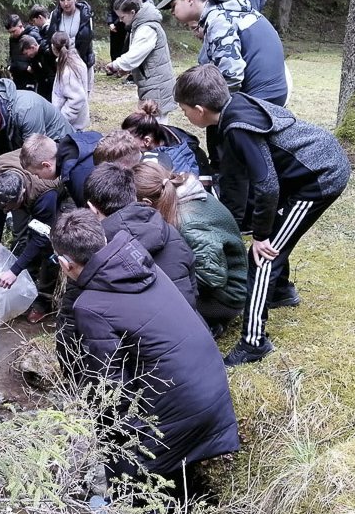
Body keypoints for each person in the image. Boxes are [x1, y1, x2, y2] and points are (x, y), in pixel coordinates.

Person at [51, 208, 240, 492]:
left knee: (123, 466)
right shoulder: (138, 259)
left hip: (185, 415)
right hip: (215, 397)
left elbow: (109, 391)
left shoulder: (90, 305)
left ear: (65, 263)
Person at [175, 64, 350, 366]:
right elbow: (240, 180)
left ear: (200, 109)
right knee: (278, 236)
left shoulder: (238, 127)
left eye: (184, 110)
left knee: (263, 256)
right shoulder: (233, 107)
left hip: (318, 179)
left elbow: (266, 185)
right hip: (303, 171)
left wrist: (260, 236)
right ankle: (282, 291)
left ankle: (254, 342)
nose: (185, 116)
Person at [159, 0, 288, 231]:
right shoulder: (222, 10)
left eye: (173, 5)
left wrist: (201, 104)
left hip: (259, 93)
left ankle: (238, 219)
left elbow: (230, 76)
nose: (172, 12)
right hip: (265, 90)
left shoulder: (218, 18)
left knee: (231, 151)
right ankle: (242, 210)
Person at [133, 162, 247, 337]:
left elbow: (213, 277)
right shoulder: (181, 192)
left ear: (147, 202)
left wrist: (168, 274)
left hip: (226, 298)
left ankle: (208, 326)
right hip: (223, 286)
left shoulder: (188, 222)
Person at [84, 162, 196, 308]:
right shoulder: (170, 229)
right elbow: (191, 285)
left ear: (92, 208)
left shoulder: (101, 249)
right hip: (192, 320)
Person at [0, 136, 63, 323]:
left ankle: (44, 299)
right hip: (24, 194)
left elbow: (41, 237)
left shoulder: (44, 193)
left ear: (22, 195)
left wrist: (14, 270)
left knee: (50, 246)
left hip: (58, 191)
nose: (6, 211)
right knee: (20, 237)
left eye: (10, 207)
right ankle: (24, 278)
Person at [0, 76, 74, 196]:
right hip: (22, 148)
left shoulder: (26, 109)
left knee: (36, 189)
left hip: (56, 150)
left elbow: (34, 154)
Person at [105, 0, 176, 120]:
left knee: (155, 130)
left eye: (122, 16)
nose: (120, 20)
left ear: (132, 12)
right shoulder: (139, 25)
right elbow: (143, 59)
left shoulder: (146, 28)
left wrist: (115, 65)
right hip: (151, 85)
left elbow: (134, 56)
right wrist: (126, 69)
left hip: (157, 87)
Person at [22, 129, 103, 209]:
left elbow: (94, 214)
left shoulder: (77, 180)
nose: (39, 178)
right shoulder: (79, 139)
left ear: (47, 165)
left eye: (36, 174)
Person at [122, 101, 204, 175]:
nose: (124, 144)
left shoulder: (178, 159)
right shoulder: (152, 129)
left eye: (129, 140)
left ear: (147, 141)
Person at [49, 0, 95, 81]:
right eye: (62, 0)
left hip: (82, 61)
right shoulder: (55, 15)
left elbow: (87, 40)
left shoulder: (85, 15)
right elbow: (51, 39)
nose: (66, 3)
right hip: (61, 64)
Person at [51, 31, 90, 131]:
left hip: (71, 127)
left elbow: (77, 99)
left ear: (53, 47)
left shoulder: (68, 71)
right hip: (73, 124)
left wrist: (61, 119)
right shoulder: (74, 61)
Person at [5, 14, 43, 92]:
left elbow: (40, 53)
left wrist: (30, 67)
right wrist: (10, 65)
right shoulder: (12, 39)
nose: (12, 34)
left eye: (13, 31)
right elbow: (12, 54)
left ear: (20, 26)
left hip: (31, 78)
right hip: (17, 77)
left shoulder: (32, 35)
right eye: (10, 32)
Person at [28, 5, 56, 100]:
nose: (34, 25)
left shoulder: (48, 30)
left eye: (34, 21)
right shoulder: (46, 29)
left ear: (40, 17)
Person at [106, 0, 129, 64]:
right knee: (114, 46)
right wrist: (111, 23)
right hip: (114, 26)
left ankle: (121, 66)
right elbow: (110, 11)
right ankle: (113, 65)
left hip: (123, 25)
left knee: (123, 46)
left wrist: (117, 23)